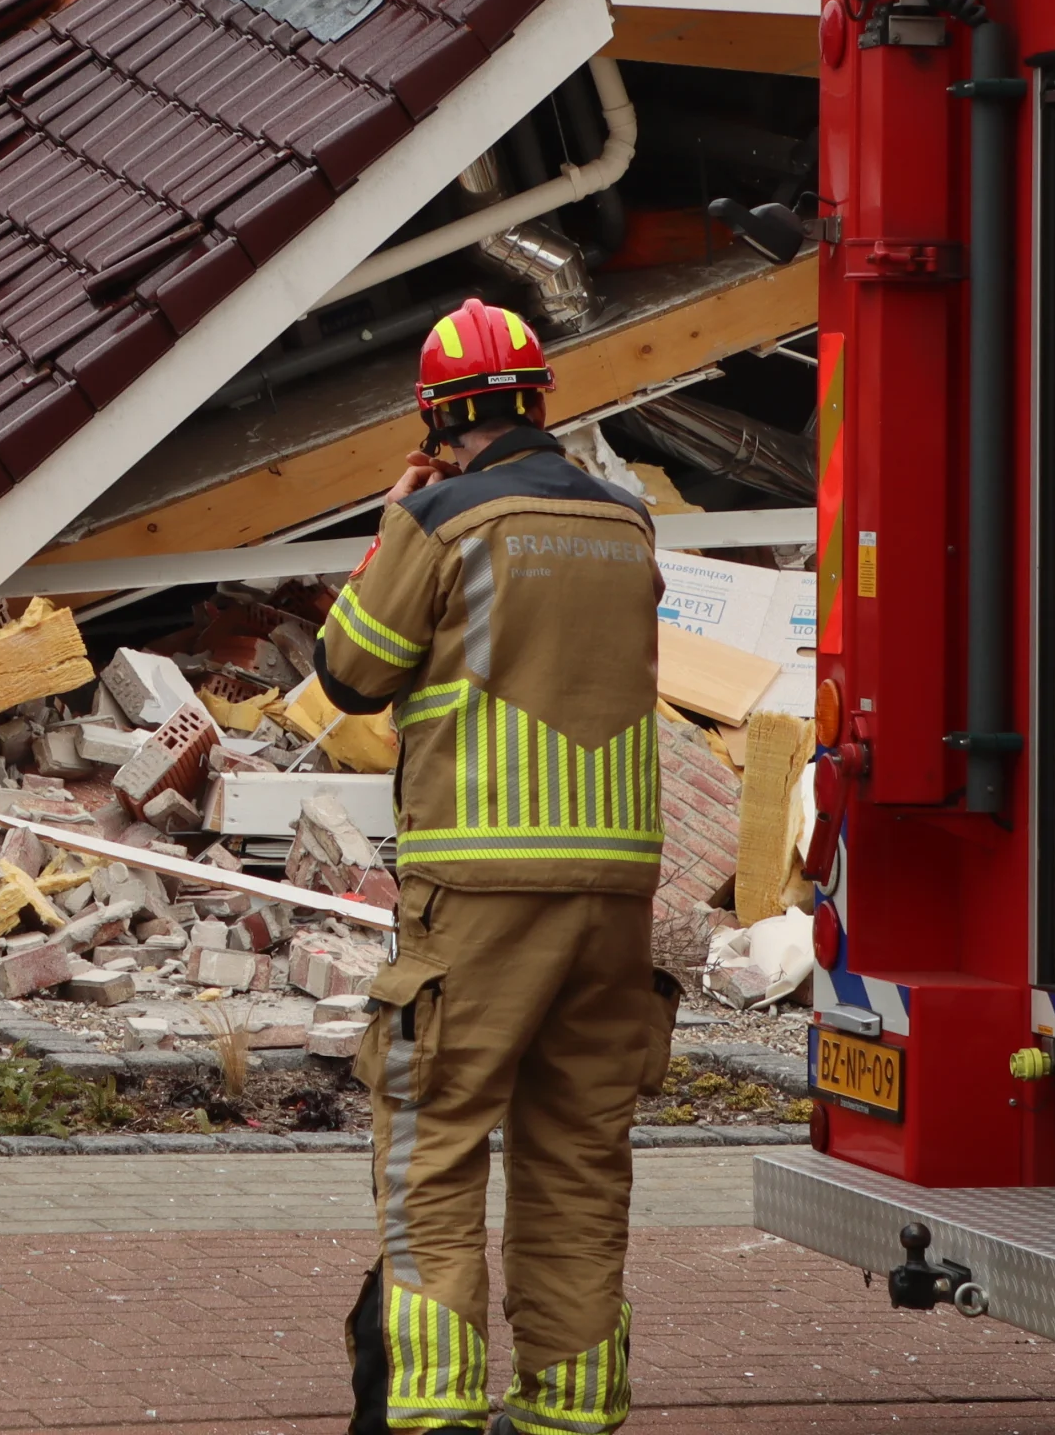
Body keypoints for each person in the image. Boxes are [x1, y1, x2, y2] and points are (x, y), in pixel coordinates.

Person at [319, 297, 675, 1435]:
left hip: (474, 896)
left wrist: (394, 522)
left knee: (434, 1149)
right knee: (578, 1157)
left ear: (437, 420)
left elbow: (350, 672)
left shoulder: (444, 518)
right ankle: (573, 1413)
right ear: (538, 403)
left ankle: (430, 1417)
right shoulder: (629, 522)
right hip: (616, 898)